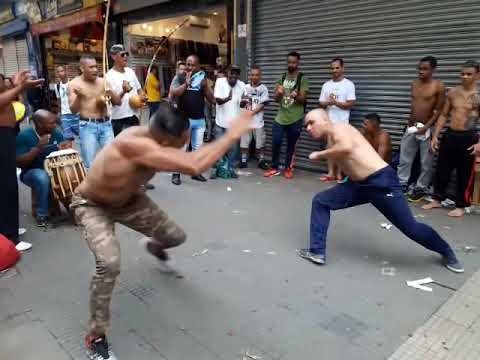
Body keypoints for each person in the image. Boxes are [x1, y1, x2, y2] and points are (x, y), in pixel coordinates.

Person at [70, 104, 253, 360]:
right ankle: (96, 334)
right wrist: (233, 133)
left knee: (175, 236)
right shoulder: (135, 143)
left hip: (129, 200)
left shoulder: (156, 139)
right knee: (109, 264)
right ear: (167, 139)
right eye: (185, 137)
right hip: (93, 205)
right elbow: (194, 164)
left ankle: (155, 246)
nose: (188, 140)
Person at [297, 109, 463, 273]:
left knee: (410, 228)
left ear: (326, 120)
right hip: (358, 185)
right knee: (321, 201)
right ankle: (317, 251)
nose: (309, 128)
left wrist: (319, 155)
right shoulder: (331, 140)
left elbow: (346, 147)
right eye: (306, 125)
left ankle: (447, 252)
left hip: (381, 183)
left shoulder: (340, 128)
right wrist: (335, 173)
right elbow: (348, 160)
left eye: (312, 122)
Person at [422, 60, 480, 217]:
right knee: (442, 168)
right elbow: (443, 115)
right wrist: (435, 136)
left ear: (477, 75)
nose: (464, 77)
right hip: (450, 134)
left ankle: (461, 205)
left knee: (464, 172)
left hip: (469, 136)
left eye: (469, 74)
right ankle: (437, 199)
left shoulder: (478, 96)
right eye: (462, 74)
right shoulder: (452, 93)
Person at [0, 70, 42, 252]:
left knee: (8, 186)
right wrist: (19, 87)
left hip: (7, 132)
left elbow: (17, 107)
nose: (1, 46)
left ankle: (8, 229)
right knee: (6, 186)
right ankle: (10, 238)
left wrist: (19, 88)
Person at [397, 56, 445, 202]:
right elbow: (414, 105)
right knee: (405, 158)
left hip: (427, 128)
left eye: (425, 69)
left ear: (433, 70)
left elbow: (439, 110)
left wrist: (426, 127)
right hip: (411, 127)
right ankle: (402, 183)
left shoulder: (438, 86)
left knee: (426, 161)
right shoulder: (414, 83)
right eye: (419, 68)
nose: (421, 71)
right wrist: (409, 123)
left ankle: (421, 187)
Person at [16, 110, 71, 227]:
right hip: (30, 172)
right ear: (40, 124)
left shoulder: (56, 133)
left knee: (71, 174)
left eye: (55, 122)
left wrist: (65, 150)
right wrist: (38, 148)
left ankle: (73, 208)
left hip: (53, 170)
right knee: (42, 177)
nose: (55, 125)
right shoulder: (24, 136)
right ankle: (42, 215)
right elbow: (19, 163)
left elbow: (62, 158)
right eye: (51, 123)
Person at [169, 55, 216, 183]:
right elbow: (174, 93)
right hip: (184, 119)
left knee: (197, 148)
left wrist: (206, 86)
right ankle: (176, 174)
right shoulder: (180, 77)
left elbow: (211, 99)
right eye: (188, 64)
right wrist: (186, 84)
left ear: (198, 66)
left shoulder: (202, 79)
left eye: (192, 65)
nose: (189, 67)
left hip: (199, 120)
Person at [69, 56, 120, 170]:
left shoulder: (103, 82)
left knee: (112, 159)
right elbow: (73, 110)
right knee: (90, 163)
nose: (95, 70)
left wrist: (111, 93)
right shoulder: (74, 84)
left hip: (106, 124)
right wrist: (79, 96)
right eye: (91, 67)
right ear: (82, 69)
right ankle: (93, 187)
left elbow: (117, 102)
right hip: (87, 126)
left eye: (96, 67)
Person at [264, 51, 309, 179]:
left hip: (296, 118)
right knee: (276, 141)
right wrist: (278, 93)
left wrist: (296, 96)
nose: (291, 64)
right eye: (289, 62)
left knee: (291, 145)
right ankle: (274, 167)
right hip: (280, 117)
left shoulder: (302, 79)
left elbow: (303, 99)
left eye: (294, 62)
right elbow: (276, 99)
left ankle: (288, 168)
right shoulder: (282, 78)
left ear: (298, 63)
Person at [319, 58, 356, 183]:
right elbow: (321, 103)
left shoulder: (348, 84)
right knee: (329, 148)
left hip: (342, 123)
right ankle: (330, 173)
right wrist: (326, 103)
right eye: (332, 68)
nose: (334, 70)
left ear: (343, 68)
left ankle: (340, 173)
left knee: (340, 149)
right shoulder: (326, 85)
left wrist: (335, 102)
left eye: (337, 68)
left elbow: (350, 104)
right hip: (329, 122)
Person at [211, 65, 246, 179]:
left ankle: (230, 169)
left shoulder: (241, 85)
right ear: (227, 73)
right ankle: (215, 170)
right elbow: (217, 101)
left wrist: (244, 103)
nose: (234, 76)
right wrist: (227, 98)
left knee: (233, 149)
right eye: (232, 73)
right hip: (220, 123)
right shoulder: (220, 82)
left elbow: (242, 103)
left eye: (236, 73)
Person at [106, 44, 147, 137]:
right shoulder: (109, 76)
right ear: (113, 57)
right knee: (121, 148)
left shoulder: (130, 71)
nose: (125, 56)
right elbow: (115, 102)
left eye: (126, 54)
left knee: (136, 145)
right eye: (122, 54)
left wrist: (143, 97)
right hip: (118, 119)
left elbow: (139, 89)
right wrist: (123, 91)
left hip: (134, 116)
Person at [239, 65, 270, 170]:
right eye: (252, 75)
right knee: (244, 142)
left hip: (258, 122)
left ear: (260, 76)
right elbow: (241, 104)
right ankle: (243, 160)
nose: (254, 77)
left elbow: (262, 105)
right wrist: (243, 101)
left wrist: (251, 113)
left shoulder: (263, 88)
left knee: (260, 143)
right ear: (249, 76)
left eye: (257, 75)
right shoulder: (245, 88)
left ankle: (261, 160)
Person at [55, 65, 80, 142]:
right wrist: (59, 113)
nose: (60, 73)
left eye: (61, 71)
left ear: (66, 72)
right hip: (65, 115)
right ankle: (70, 153)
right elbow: (59, 100)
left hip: (76, 114)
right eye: (58, 72)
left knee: (82, 136)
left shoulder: (73, 84)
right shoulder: (57, 86)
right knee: (67, 138)